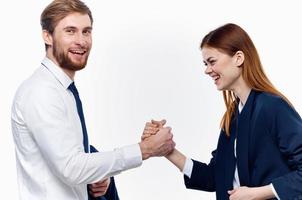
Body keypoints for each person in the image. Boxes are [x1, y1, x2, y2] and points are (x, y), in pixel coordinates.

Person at [11, 0, 175, 200]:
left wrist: (100, 174)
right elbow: (71, 168)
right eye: (70, 31)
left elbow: (72, 155)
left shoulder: (62, 90)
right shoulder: (42, 92)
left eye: (86, 31)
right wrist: (144, 150)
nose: (81, 41)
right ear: (48, 36)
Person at [143, 23, 302, 200]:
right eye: (205, 63)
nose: (207, 70)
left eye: (212, 61)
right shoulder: (234, 116)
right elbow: (215, 176)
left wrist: (257, 194)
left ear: (238, 58)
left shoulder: (272, 107)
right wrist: (167, 150)